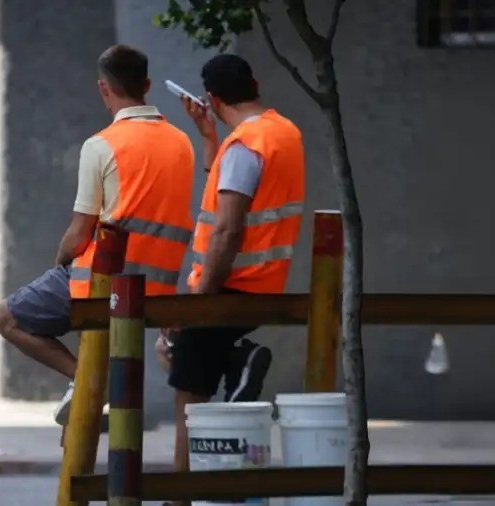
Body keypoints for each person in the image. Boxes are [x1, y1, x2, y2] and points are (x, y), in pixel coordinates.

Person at [0, 44, 197, 425]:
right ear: (147, 84)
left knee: (7, 317)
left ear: (104, 88)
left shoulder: (102, 145)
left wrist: (61, 262)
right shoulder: (182, 143)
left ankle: (85, 379)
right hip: (158, 288)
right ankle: (89, 383)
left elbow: (79, 231)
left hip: (102, 285)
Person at [166, 53, 306, 480]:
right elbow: (230, 191)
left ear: (210, 97)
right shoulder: (284, 132)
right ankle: (237, 356)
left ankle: (182, 496)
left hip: (226, 288)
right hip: (263, 285)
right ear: (255, 82)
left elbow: (226, 231)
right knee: (168, 350)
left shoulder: (245, 147)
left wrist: (198, 304)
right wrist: (209, 137)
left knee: (187, 411)